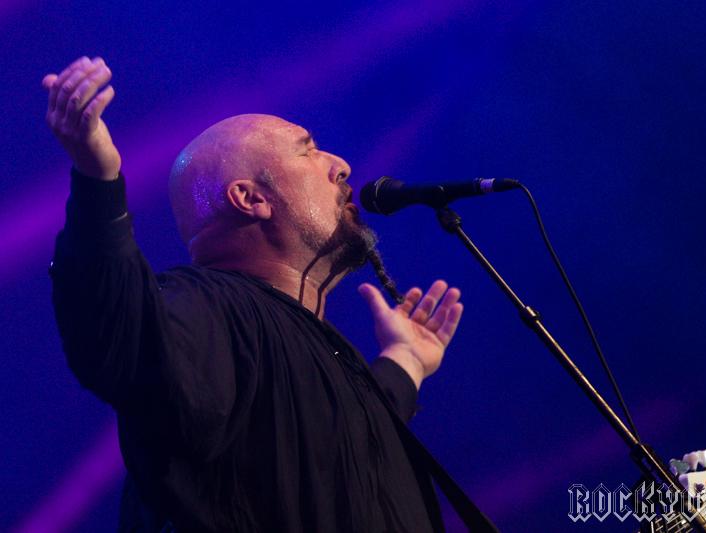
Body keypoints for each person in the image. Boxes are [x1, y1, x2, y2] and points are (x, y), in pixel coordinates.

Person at [43, 56, 467, 532]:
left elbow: (343, 434)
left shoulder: (303, 344)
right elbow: (125, 335)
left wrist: (406, 361)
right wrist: (98, 182)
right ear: (250, 198)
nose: (342, 165)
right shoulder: (211, 308)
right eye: (308, 151)